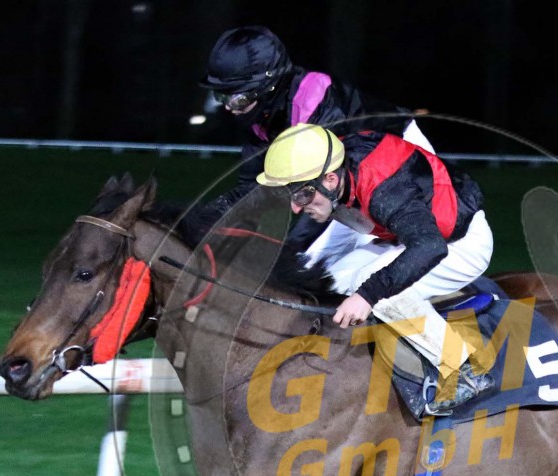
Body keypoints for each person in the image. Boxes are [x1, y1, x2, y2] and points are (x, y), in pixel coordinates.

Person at [256, 123, 495, 417]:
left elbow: (429, 247)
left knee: (371, 288)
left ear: (330, 179)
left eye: (303, 196)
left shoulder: (384, 191)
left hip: (459, 246)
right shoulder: (334, 165)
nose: (295, 208)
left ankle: (465, 370)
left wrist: (367, 295)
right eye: (289, 194)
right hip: (411, 234)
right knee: (332, 279)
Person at [197, 25, 433, 255]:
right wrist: (209, 218)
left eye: (237, 98)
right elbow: (253, 186)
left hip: (398, 158)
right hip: (345, 180)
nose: (228, 107)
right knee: (311, 261)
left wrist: (292, 250)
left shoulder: (314, 103)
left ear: (267, 86)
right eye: (221, 96)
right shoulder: (259, 113)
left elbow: (319, 192)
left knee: (367, 254)